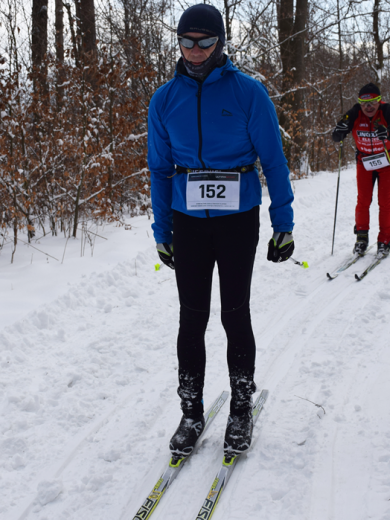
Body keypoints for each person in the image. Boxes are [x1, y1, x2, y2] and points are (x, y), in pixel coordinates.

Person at [148, 4, 295, 459]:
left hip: (237, 219)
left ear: (221, 43)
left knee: (235, 312)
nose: (195, 51)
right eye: (187, 42)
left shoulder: (248, 93)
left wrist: (283, 223)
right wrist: (162, 228)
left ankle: (240, 409)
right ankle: (191, 412)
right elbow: (159, 169)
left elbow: (273, 161)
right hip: (189, 222)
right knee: (191, 317)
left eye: (204, 42)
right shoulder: (164, 99)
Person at [331, 83, 390, 257]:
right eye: (364, 103)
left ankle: (384, 240)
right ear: (359, 103)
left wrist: (387, 134)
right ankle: (361, 239)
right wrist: (339, 132)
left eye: (372, 102)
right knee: (363, 200)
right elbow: (336, 134)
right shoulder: (355, 112)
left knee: (384, 200)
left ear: (379, 101)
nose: (368, 107)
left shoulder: (388, 111)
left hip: (386, 160)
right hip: (365, 161)